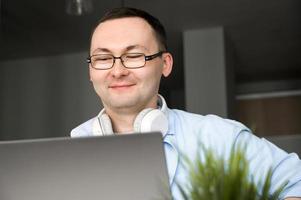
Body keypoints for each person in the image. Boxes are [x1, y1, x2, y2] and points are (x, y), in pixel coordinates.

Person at [71, 7, 301, 199]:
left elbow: (296, 182)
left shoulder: (218, 137)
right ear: (91, 71)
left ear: (165, 64)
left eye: (134, 56)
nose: (117, 71)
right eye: (103, 58)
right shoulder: (71, 148)